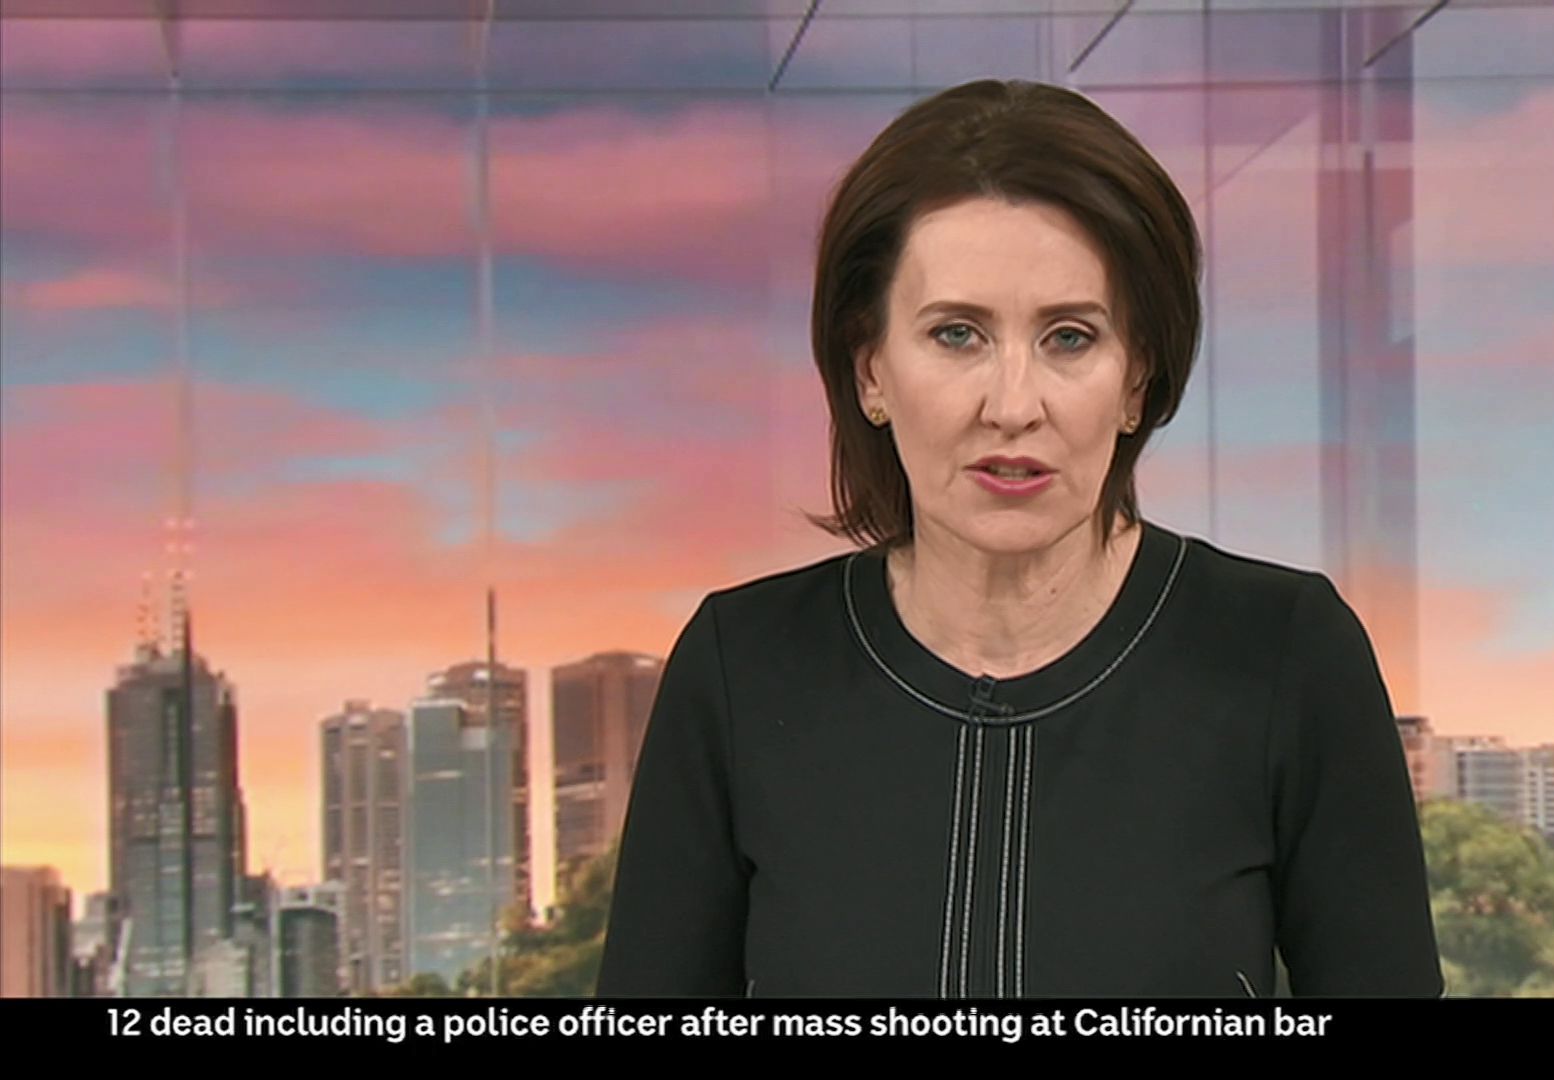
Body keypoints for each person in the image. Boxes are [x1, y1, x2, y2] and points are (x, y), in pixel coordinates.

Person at [596, 78, 1442, 999]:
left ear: (1136, 379)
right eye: (957, 335)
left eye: (1069, 338)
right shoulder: (742, 668)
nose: (1012, 405)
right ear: (871, 369)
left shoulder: (1286, 655)